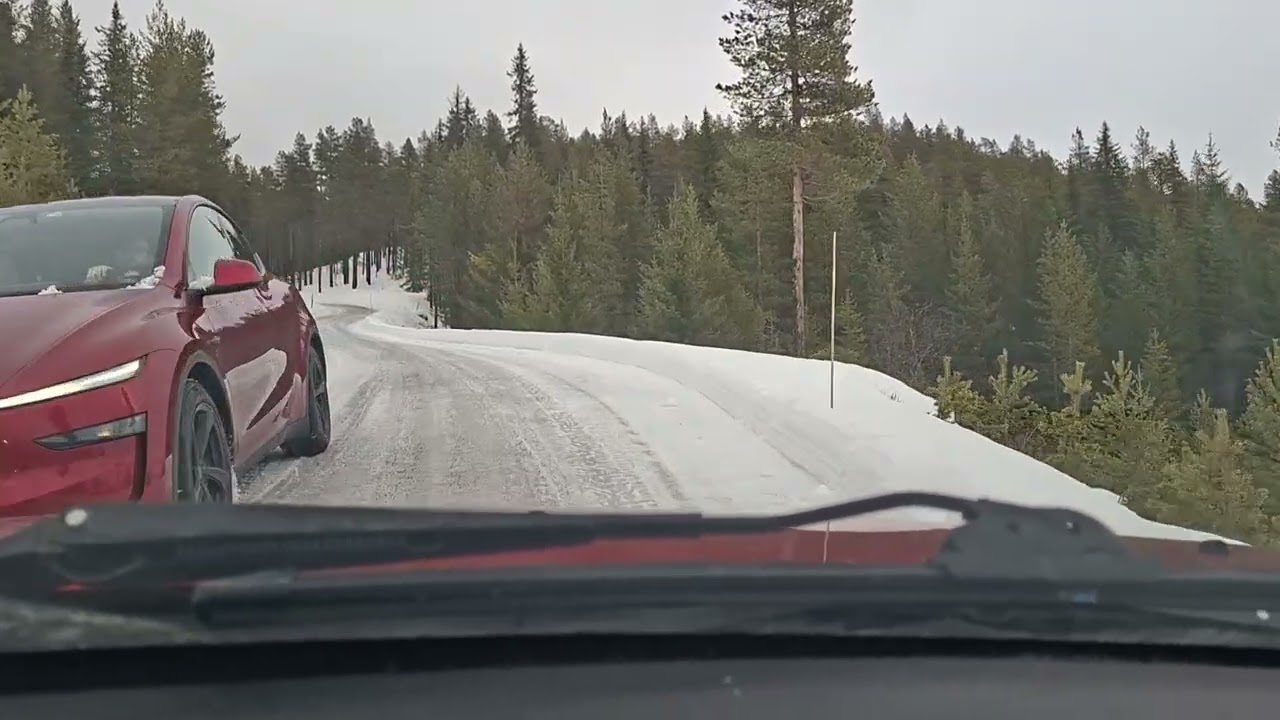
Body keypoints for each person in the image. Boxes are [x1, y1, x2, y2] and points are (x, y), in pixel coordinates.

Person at [86, 237, 155, 284]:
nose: (132, 255)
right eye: (126, 250)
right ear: (114, 254)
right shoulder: (101, 274)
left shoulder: (156, 277)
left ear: (150, 256)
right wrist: (94, 281)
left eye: (139, 250)